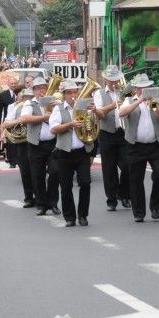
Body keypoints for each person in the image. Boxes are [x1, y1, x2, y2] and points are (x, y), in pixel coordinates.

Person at [118, 74, 159, 222]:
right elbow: (121, 113)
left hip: (155, 146)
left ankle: (154, 206)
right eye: (139, 88)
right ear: (135, 89)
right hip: (135, 146)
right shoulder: (129, 100)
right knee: (136, 180)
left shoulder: (158, 100)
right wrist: (139, 102)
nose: (142, 90)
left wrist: (155, 108)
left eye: (145, 88)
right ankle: (139, 212)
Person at [49, 79, 97, 227]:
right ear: (64, 95)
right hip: (64, 152)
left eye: (74, 92)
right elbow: (53, 129)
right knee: (66, 186)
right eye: (69, 93)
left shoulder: (83, 107)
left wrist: (94, 111)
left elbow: (94, 124)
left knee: (85, 183)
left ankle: (82, 215)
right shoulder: (58, 109)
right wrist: (70, 124)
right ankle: (70, 217)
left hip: (82, 152)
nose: (73, 95)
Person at [19, 77, 59, 216]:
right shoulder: (30, 103)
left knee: (55, 172)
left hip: (53, 143)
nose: (42, 90)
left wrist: (56, 109)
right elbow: (24, 119)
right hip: (36, 144)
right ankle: (42, 205)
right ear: (34, 90)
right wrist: (44, 117)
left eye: (43, 87)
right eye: (39, 88)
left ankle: (53, 203)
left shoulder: (54, 101)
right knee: (37, 175)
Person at [94, 65, 131, 211]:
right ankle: (111, 200)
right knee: (109, 170)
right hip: (107, 134)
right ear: (105, 79)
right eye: (111, 80)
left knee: (127, 166)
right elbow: (99, 113)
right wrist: (115, 105)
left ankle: (124, 194)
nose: (114, 83)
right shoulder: (99, 93)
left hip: (123, 134)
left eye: (116, 80)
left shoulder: (124, 92)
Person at [0, 87, 35, 207]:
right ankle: (29, 198)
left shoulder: (37, 106)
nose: (27, 100)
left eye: (29, 97)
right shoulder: (16, 108)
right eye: (24, 97)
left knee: (37, 171)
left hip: (36, 141)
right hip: (22, 142)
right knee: (25, 170)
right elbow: (5, 123)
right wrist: (18, 121)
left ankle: (41, 198)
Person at [0, 76, 21, 168]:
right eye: (12, 83)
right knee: (10, 142)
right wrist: (1, 124)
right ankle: (12, 161)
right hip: (9, 121)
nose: (14, 85)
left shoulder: (22, 93)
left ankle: (19, 160)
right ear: (8, 84)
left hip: (20, 122)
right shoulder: (3, 95)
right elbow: (0, 110)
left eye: (15, 83)